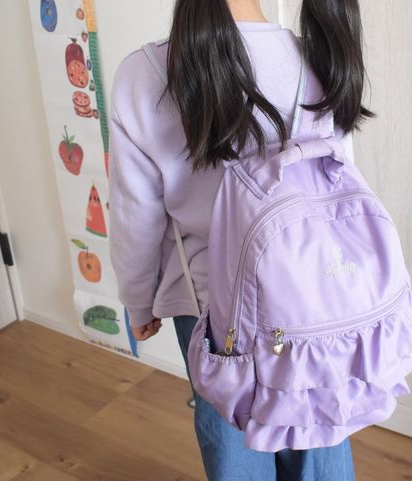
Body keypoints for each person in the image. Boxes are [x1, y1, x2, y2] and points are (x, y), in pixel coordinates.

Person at [108, 0, 374, 479]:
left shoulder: (145, 74)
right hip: (311, 297)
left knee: (231, 435)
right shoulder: (318, 57)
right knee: (316, 427)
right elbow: (339, 188)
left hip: (211, 309)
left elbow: (136, 217)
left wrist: (139, 303)